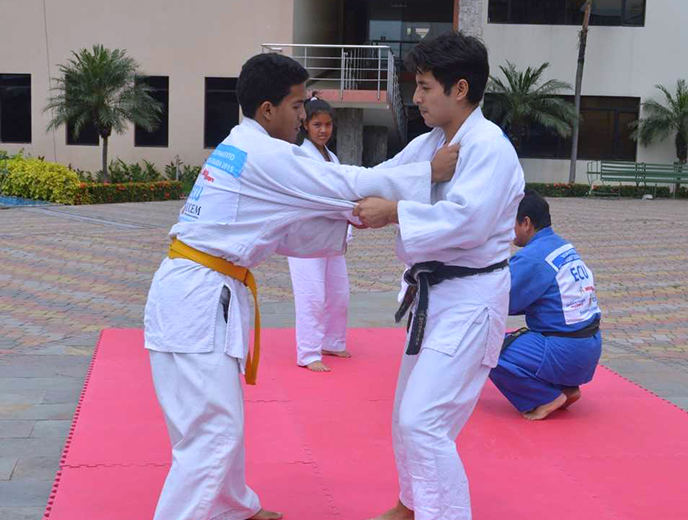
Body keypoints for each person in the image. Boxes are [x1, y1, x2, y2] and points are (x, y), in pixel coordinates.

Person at [143, 52, 460, 520]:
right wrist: (425, 174)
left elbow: (280, 232)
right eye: (296, 107)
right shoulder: (265, 153)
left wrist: (354, 225)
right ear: (267, 110)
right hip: (197, 296)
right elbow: (344, 182)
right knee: (211, 433)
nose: (302, 118)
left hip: (197, 291)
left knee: (216, 421)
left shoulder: (239, 146)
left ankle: (232, 508)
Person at [353, 32, 525, 520]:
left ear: (460, 88)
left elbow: (465, 223)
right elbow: (384, 176)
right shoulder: (434, 143)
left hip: (472, 298)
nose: (416, 97)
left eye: (425, 86)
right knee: (404, 414)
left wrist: (395, 213)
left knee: (424, 421)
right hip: (436, 295)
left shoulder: (489, 148)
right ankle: (412, 504)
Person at [489, 190, 602, 420]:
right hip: (589, 349)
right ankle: (566, 388)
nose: (508, 229)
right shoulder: (562, 246)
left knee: (487, 350)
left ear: (526, 223)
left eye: (511, 221)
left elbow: (501, 300)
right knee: (517, 339)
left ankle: (544, 396)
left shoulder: (532, 257)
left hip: (565, 352)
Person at [288, 95, 352, 372]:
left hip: (330, 235)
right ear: (306, 126)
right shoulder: (300, 156)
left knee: (339, 293)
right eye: (317, 125)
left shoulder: (332, 157)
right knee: (311, 295)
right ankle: (308, 352)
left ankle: (333, 341)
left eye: (327, 125)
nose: (323, 130)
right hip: (305, 237)